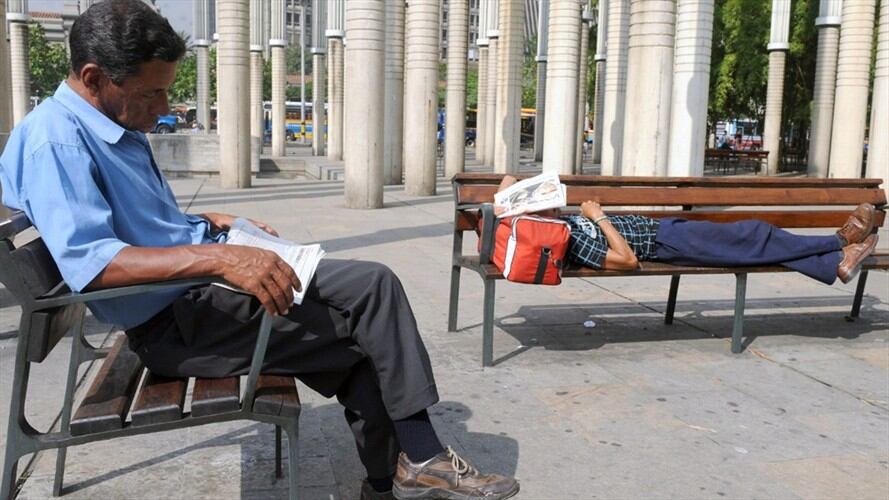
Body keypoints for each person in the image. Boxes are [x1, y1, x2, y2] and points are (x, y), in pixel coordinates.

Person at [0, 2, 519, 500]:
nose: (162, 111)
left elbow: (138, 229)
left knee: (372, 318)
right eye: (151, 94)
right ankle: (415, 464)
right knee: (372, 309)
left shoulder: (98, 126)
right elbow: (95, 266)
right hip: (175, 324)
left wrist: (207, 224)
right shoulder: (59, 143)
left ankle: (397, 478)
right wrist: (223, 258)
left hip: (192, 300)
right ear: (94, 78)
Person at [495, 176, 879, 285]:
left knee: (753, 245)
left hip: (666, 230)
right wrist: (599, 216)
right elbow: (627, 262)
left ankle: (835, 264)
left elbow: (507, 179)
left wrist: (511, 202)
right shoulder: (568, 239)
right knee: (755, 235)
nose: (557, 204)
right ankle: (840, 242)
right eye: (549, 203)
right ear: (538, 216)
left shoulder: (549, 223)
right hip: (664, 244)